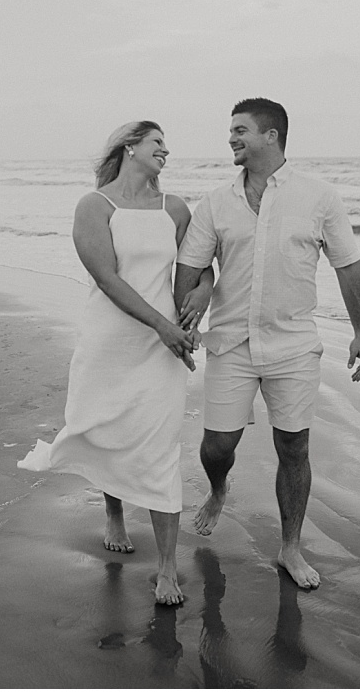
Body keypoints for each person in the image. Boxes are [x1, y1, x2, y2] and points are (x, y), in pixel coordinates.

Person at [173, 97, 360, 590]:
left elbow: (348, 265)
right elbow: (189, 268)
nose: (232, 139)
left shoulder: (318, 196)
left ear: (271, 135)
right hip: (231, 343)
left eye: (240, 130)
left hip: (294, 345)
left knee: (294, 447)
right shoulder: (216, 202)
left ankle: (289, 547)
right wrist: (194, 302)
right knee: (218, 445)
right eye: (231, 131)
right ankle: (219, 489)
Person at [18, 122, 214, 605]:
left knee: (160, 445)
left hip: (162, 347)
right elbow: (107, 278)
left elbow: (201, 264)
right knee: (109, 428)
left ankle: (167, 568)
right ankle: (114, 513)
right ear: (131, 147)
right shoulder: (94, 206)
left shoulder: (175, 208)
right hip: (113, 342)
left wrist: (199, 300)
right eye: (157, 143)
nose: (166, 150)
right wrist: (162, 326)